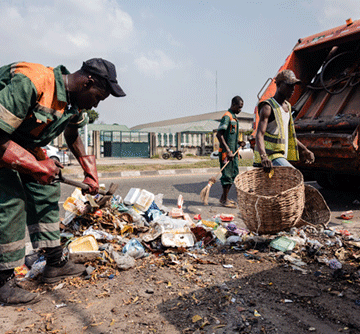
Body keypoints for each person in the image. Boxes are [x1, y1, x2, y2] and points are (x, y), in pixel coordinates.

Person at [0, 58, 125, 305]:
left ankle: (55, 263)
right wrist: (35, 165)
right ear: (87, 82)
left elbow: (73, 133)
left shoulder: (73, 103)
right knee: (12, 202)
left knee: (45, 191)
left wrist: (90, 171)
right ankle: (2, 282)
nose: (96, 104)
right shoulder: (33, 82)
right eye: (98, 97)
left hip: (22, 146)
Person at [254, 69, 314, 170]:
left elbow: (288, 136)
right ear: (279, 85)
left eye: (294, 85)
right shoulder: (268, 107)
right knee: (294, 176)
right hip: (270, 157)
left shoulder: (288, 107)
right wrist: (263, 156)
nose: (293, 89)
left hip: (280, 157)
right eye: (289, 85)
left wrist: (304, 150)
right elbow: (259, 134)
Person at [216, 96, 244, 208]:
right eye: (239, 107)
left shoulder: (234, 118)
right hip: (226, 153)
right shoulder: (227, 117)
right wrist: (228, 151)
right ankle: (225, 200)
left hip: (234, 153)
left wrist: (239, 142)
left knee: (233, 174)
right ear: (233, 104)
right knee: (227, 176)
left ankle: (224, 198)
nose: (240, 110)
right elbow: (219, 134)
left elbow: (230, 136)